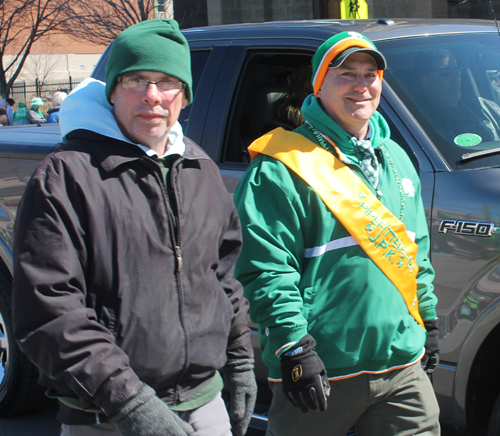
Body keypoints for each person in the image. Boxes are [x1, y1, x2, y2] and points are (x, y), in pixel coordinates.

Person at [12, 18, 256, 436]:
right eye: (135, 79)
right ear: (112, 90)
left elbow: (222, 279)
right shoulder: (67, 176)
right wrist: (132, 404)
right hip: (107, 417)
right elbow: (48, 310)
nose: (152, 96)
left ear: (184, 95)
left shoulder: (199, 170)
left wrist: (241, 360)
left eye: (166, 81)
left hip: (203, 403)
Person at [234, 31, 440, 436]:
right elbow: (266, 271)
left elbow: (417, 248)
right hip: (322, 370)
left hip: (401, 366)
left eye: (370, 74)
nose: (361, 85)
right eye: (346, 73)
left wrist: (429, 319)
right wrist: (294, 347)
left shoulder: (396, 157)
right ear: (319, 84)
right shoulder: (281, 167)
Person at [416, 48, 500, 142]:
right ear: (424, 81)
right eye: (446, 72)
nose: (455, 77)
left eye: (457, 70)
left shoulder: (485, 107)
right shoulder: (416, 121)